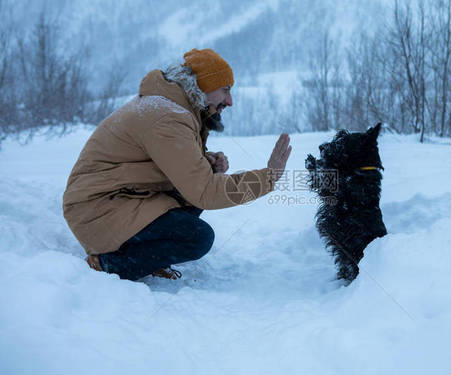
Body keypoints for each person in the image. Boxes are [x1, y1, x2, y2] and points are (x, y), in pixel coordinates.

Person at [63, 48, 292, 281]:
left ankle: (143, 258)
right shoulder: (167, 117)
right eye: (225, 90)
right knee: (197, 238)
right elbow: (205, 191)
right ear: (203, 86)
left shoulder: (171, 108)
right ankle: (107, 264)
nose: (230, 101)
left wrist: (206, 163)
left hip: (117, 200)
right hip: (96, 211)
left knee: (189, 201)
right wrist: (268, 177)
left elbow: (173, 166)